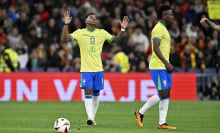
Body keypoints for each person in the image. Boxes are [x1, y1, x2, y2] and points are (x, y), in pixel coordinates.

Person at [61, 11, 129, 125]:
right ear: (86, 21)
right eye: (91, 17)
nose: (94, 19)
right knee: (88, 90)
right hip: (86, 69)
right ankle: (90, 117)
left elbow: (116, 40)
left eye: (95, 18)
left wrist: (122, 29)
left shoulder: (101, 33)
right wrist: (66, 24)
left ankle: (92, 117)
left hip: (98, 69)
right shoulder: (80, 33)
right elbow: (65, 39)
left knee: (96, 93)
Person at [134, 4, 176, 129]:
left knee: (166, 93)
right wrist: (166, 63)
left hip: (164, 66)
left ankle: (162, 123)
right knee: (163, 93)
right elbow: (155, 47)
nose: (172, 17)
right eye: (170, 14)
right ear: (164, 15)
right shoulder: (158, 28)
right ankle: (140, 112)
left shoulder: (163, 28)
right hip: (158, 66)